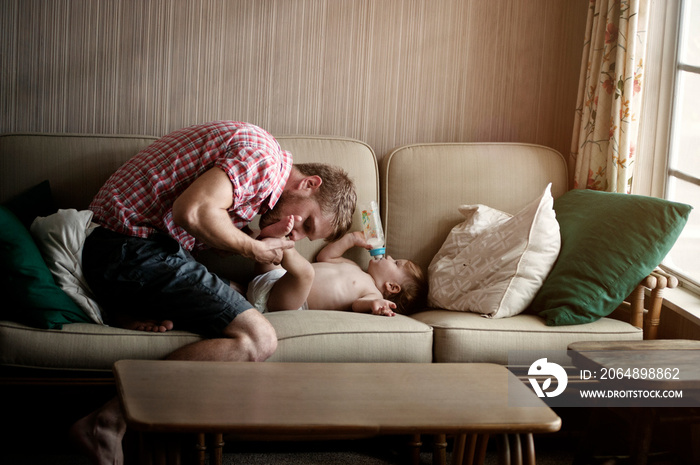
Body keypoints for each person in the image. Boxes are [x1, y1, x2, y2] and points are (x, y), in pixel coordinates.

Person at [71, 121, 356, 465]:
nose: (297, 237)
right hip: (128, 248)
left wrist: (257, 237)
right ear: (309, 184)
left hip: (123, 250)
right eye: (307, 223)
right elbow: (192, 211)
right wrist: (253, 249)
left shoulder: (255, 180)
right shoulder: (264, 160)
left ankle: (163, 436)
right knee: (258, 338)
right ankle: (108, 420)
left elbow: (203, 228)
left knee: (228, 305)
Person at [247, 230, 427, 317]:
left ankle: (283, 243)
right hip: (275, 279)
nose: (389, 256)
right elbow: (325, 256)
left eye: (395, 263)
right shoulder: (355, 267)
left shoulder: (373, 292)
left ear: (392, 287)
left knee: (305, 273)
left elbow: (358, 304)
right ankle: (262, 237)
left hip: (289, 301)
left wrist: (375, 304)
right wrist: (350, 240)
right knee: (262, 241)